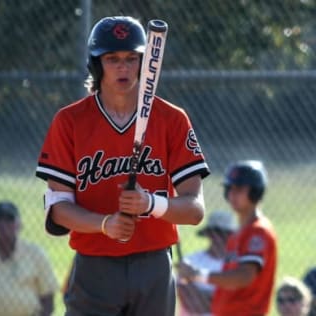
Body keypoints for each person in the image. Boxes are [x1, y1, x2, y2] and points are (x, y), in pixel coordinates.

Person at [35, 15, 210, 316]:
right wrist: (105, 224)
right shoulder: (70, 121)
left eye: (132, 58)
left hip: (153, 264)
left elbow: (194, 210)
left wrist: (150, 204)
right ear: (96, 64)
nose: (123, 67)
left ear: (145, 63)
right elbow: (59, 210)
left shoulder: (171, 119)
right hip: (95, 265)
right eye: (112, 58)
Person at [178, 160, 278, 316]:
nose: (232, 194)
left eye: (239, 189)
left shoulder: (258, 231)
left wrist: (197, 274)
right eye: (229, 189)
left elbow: (244, 276)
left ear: (255, 192)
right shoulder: (238, 235)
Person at [177, 210, 236, 316]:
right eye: (215, 232)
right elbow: (193, 304)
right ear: (208, 233)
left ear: (231, 235)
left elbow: (234, 303)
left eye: (223, 233)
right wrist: (217, 296)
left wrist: (197, 290)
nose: (219, 237)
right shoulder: (190, 261)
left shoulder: (238, 265)